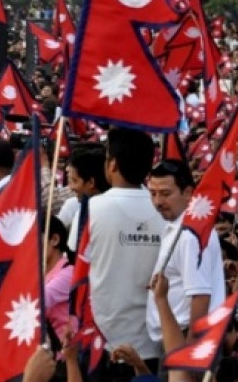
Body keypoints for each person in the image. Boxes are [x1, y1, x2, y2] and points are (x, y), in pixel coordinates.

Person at [69, 127, 164, 381]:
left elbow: (80, 273)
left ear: (112, 164)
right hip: (153, 342)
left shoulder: (94, 208)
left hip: (103, 341)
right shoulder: (165, 209)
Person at [145, 159, 226, 345]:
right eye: (153, 193)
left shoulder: (190, 235)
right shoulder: (175, 226)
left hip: (184, 337)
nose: (157, 202)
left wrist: (190, 353)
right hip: (172, 334)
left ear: (188, 192)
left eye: (166, 194)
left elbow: (200, 295)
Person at [57, 141, 109, 230]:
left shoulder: (114, 210)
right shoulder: (72, 206)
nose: (71, 188)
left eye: (75, 180)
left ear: (91, 182)